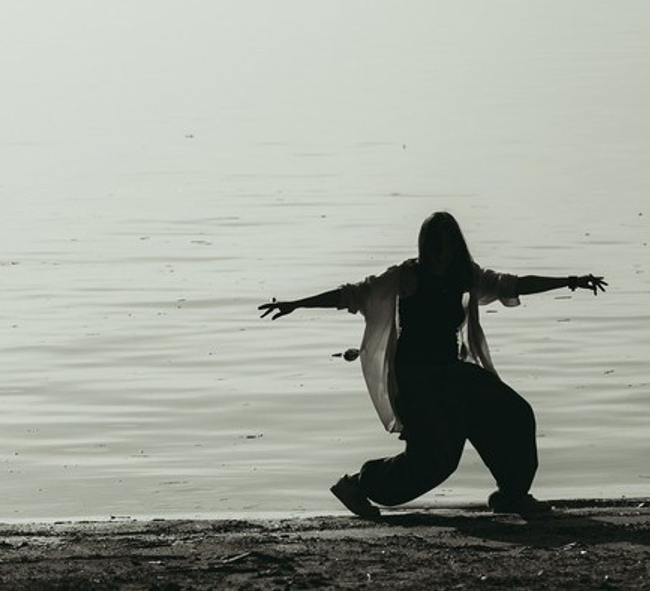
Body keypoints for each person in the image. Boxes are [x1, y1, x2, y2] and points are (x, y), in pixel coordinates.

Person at [258, 211, 606, 520]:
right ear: (424, 247)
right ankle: (357, 485)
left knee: (513, 413)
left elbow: (512, 285)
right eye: (435, 247)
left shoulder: (465, 275)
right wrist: (296, 304)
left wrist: (569, 281)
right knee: (437, 460)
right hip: (417, 380)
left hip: (451, 373)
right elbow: (351, 295)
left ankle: (512, 494)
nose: (441, 254)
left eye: (448, 246)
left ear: (456, 247)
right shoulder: (404, 277)